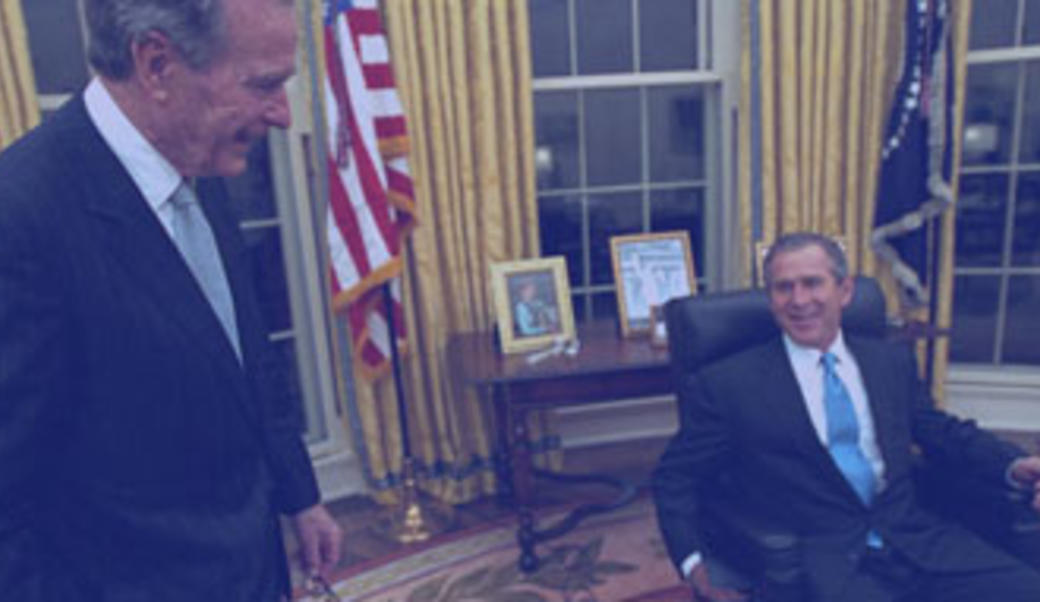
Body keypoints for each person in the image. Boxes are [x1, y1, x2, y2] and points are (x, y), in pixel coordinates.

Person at [0, 0, 342, 600]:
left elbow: (246, 353)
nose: (284, 114)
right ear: (157, 65)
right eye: (263, 84)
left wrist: (300, 496)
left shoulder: (196, 159)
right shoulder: (20, 218)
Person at [653, 232, 1040, 602]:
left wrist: (1014, 464)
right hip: (825, 561)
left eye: (812, 283)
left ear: (845, 291)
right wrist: (693, 563)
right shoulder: (728, 383)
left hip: (916, 539)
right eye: (783, 288)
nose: (799, 300)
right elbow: (676, 477)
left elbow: (940, 431)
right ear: (771, 300)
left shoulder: (889, 361)